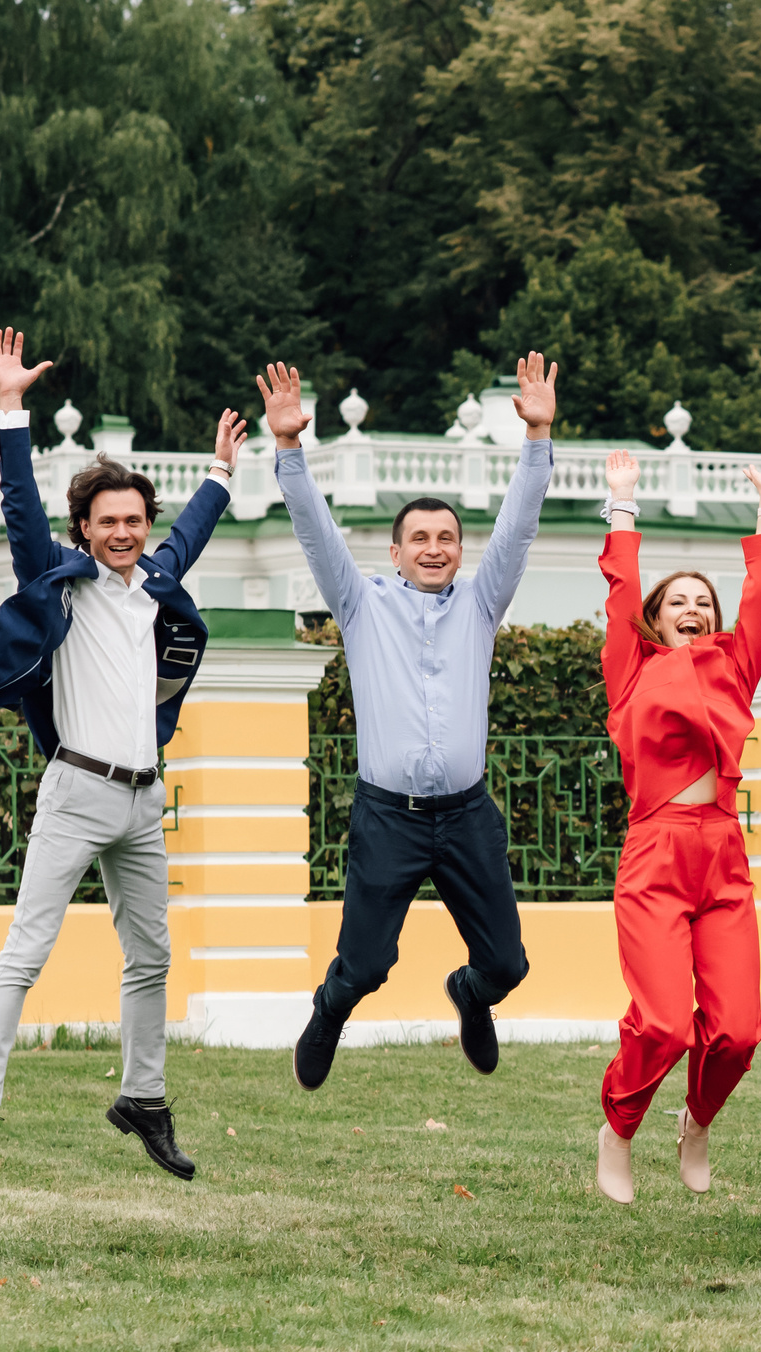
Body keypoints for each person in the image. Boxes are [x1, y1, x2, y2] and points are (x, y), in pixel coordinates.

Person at [0, 328, 246, 1191]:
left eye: (133, 521)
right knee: (25, 953)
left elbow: (194, 530)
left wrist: (222, 470)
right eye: (107, 522)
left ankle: (143, 1098)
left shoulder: (155, 582)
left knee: (151, 957)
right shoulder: (62, 579)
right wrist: (11, 407)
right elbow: (18, 508)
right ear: (83, 528)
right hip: (76, 792)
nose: (123, 532)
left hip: (143, 803)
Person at [257, 357, 558, 1091]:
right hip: (389, 816)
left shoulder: (481, 604)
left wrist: (538, 437)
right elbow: (315, 532)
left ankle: (470, 995)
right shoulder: (361, 603)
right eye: (419, 537)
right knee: (365, 965)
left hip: (466, 815)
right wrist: (289, 448)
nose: (434, 547)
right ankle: (330, 1007)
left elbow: (517, 530)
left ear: (459, 550)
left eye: (446, 537)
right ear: (395, 552)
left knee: (507, 964)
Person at [591, 450, 761, 1202]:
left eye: (704, 600)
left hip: (722, 855)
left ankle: (697, 1120)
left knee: (739, 1029)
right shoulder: (630, 667)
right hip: (656, 854)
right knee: (665, 1025)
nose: (694, 608)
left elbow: (760, 600)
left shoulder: (735, 666)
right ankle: (618, 1128)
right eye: (679, 601)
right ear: (657, 614)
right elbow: (620, 590)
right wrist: (623, 502)